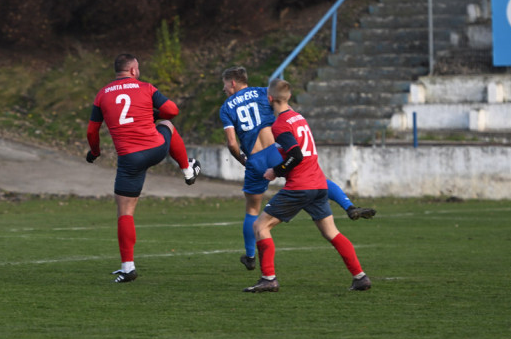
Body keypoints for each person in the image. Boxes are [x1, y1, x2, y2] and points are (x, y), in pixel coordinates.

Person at [219, 66, 375, 272]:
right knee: (313, 177)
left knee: (252, 210)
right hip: (276, 150)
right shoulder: (262, 92)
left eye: (224, 86)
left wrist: (242, 160)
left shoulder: (226, 107)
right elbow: (281, 101)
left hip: (256, 158)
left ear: (232, 83)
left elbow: (232, 143)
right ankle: (349, 206)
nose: (224, 90)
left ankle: (250, 256)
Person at [86, 53, 201, 283]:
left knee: (125, 212)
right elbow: (172, 111)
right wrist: (154, 113)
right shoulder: (146, 87)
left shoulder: (102, 95)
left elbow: (92, 131)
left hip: (130, 159)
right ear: (133, 70)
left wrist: (95, 153)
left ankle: (128, 267)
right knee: (167, 124)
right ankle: (187, 169)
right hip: (156, 149)